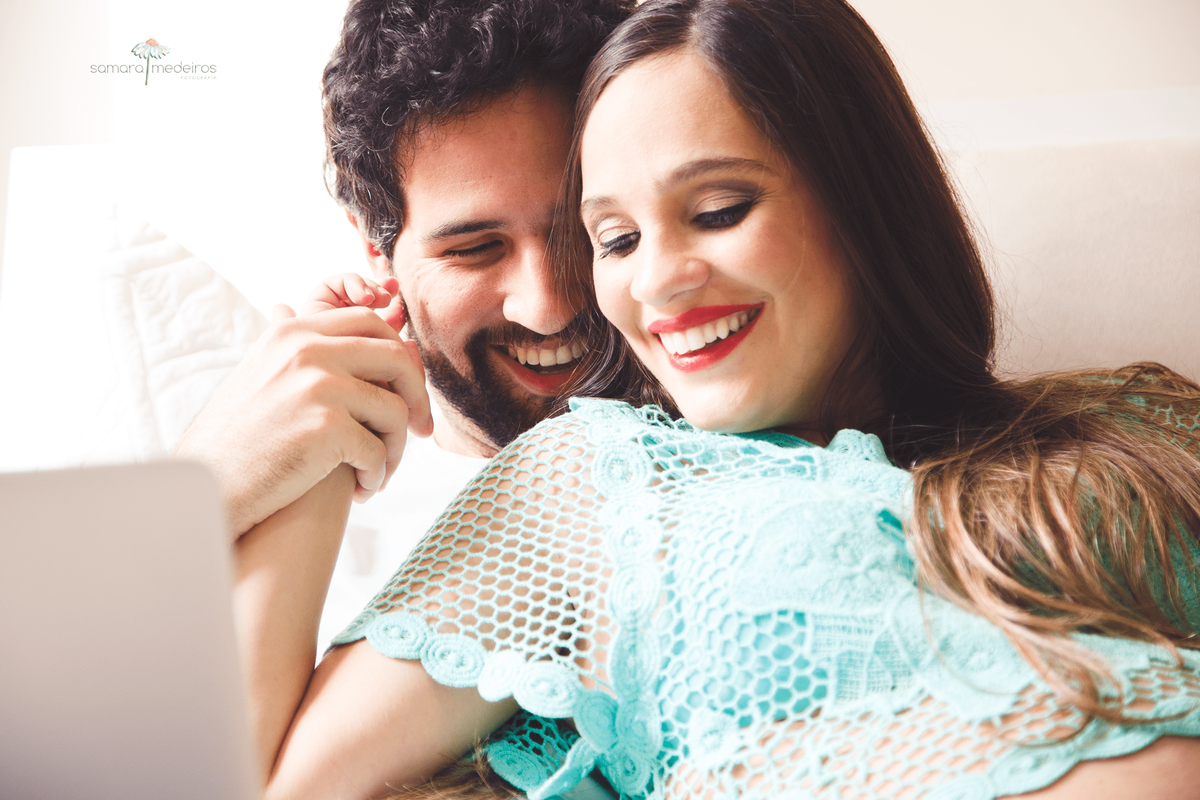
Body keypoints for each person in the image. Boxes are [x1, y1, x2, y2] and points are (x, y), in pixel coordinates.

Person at [234, 0, 1200, 798]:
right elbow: (269, 788)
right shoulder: (581, 480)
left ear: (860, 198)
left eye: (717, 211)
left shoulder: (1128, 423)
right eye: (614, 238)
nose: (642, 286)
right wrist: (297, 465)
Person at [173, 0, 634, 539]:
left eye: (587, 231)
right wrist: (197, 500)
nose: (548, 307)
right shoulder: (285, 521)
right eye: (473, 248)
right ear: (376, 246)